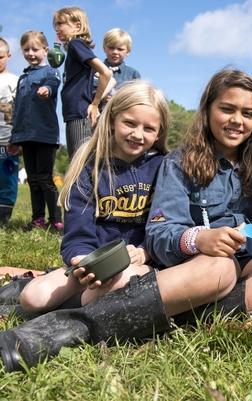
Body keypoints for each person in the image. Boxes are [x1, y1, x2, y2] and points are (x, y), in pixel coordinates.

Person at [0, 69, 252, 372]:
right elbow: (158, 234)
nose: (237, 120)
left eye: (248, 113)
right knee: (219, 266)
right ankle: (66, 329)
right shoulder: (179, 163)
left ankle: (176, 313)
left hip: (240, 272)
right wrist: (200, 239)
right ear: (208, 109)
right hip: (197, 269)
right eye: (227, 109)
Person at [17, 79, 169, 314]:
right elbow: (78, 227)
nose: (138, 134)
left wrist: (145, 251)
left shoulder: (163, 168)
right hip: (92, 264)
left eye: (149, 128)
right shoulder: (92, 166)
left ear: (159, 132)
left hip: (140, 264)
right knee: (32, 298)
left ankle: (68, 313)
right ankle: (61, 297)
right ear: (112, 121)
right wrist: (82, 260)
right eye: (129, 123)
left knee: (116, 284)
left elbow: (166, 223)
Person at [9, 31, 63, 231]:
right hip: (25, 135)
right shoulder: (23, 77)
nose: (30, 53)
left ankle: (55, 219)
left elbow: (52, 85)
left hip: (45, 135)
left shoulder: (50, 72)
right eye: (26, 49)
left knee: (45, 178)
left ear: (45, 50)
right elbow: (18, 110)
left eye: (35, 49)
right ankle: (38, 219)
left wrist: (46, 90)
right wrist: (15, 137)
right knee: (32, 179)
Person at [53, 6, 115, 159]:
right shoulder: (75, 49)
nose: (57, 29)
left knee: (80, 164)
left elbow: (106, 72)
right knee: (77, 161)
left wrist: (95, 103)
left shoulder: (76, 44)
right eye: (56, 25)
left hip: (80, 112)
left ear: (77, 25)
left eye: (61, 24)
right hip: (73, 113)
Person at [0, 37, 19, 224]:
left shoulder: (15, 80)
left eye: (0, 56)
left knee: (6, 178)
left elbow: (21, 110)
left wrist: (18, 138)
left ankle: (3, 216)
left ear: (8, 56)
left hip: (8, 141)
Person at [95, 28, 141, 105]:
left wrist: (119, 99)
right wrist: (100, 96)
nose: (115, 52)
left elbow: (137, 99)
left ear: (128, 52)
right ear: (104, 48)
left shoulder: (133, 75)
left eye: (120, 49)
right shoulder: (94, 70)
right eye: (111, 48)